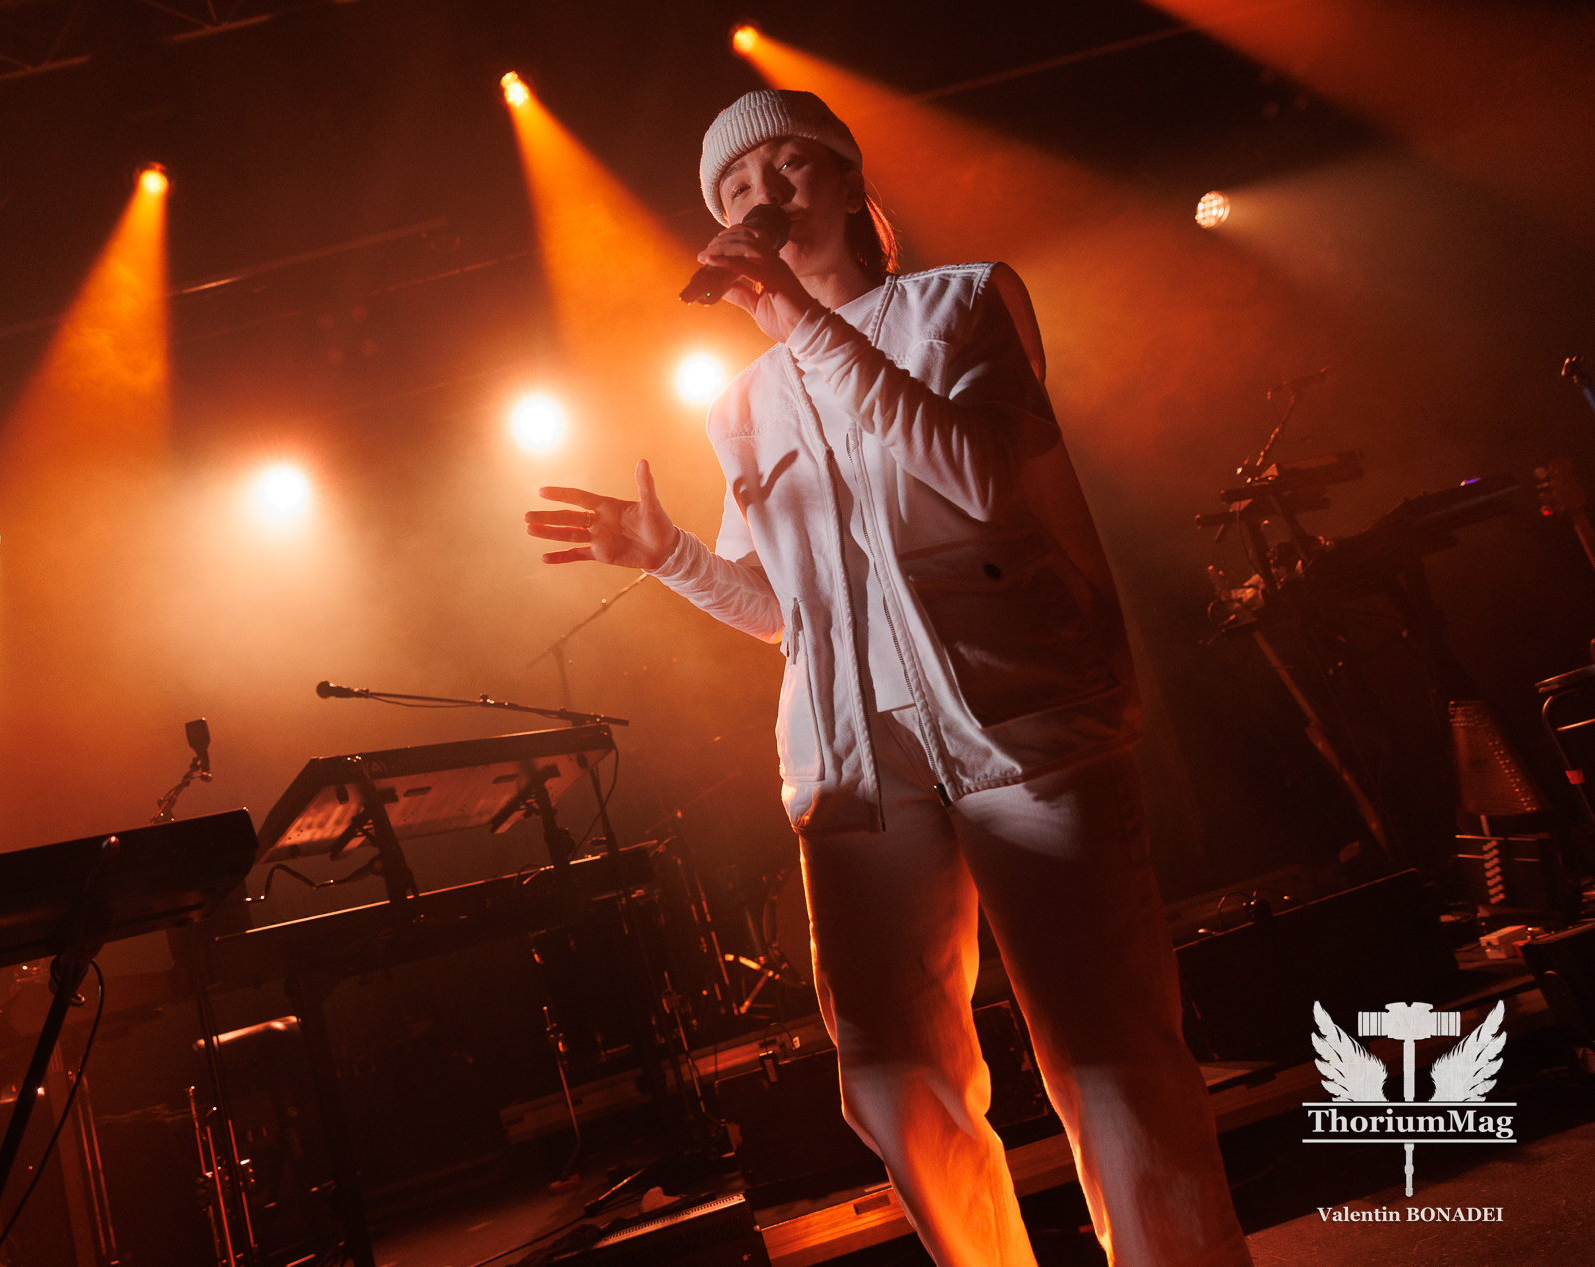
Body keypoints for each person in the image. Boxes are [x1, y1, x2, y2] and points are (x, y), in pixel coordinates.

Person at [523, 88, 1250, 1267]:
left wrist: (798, 318)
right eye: (732, 189)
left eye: (787, 168)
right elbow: (783, 611)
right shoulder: (740, 402)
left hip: (1020, 718)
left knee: (1107, 1052)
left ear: (851, 179)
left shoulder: (962, 303)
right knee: (894, 1075)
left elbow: (980, 476)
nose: (760, 197)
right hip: (855, 759)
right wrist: (668, 556)